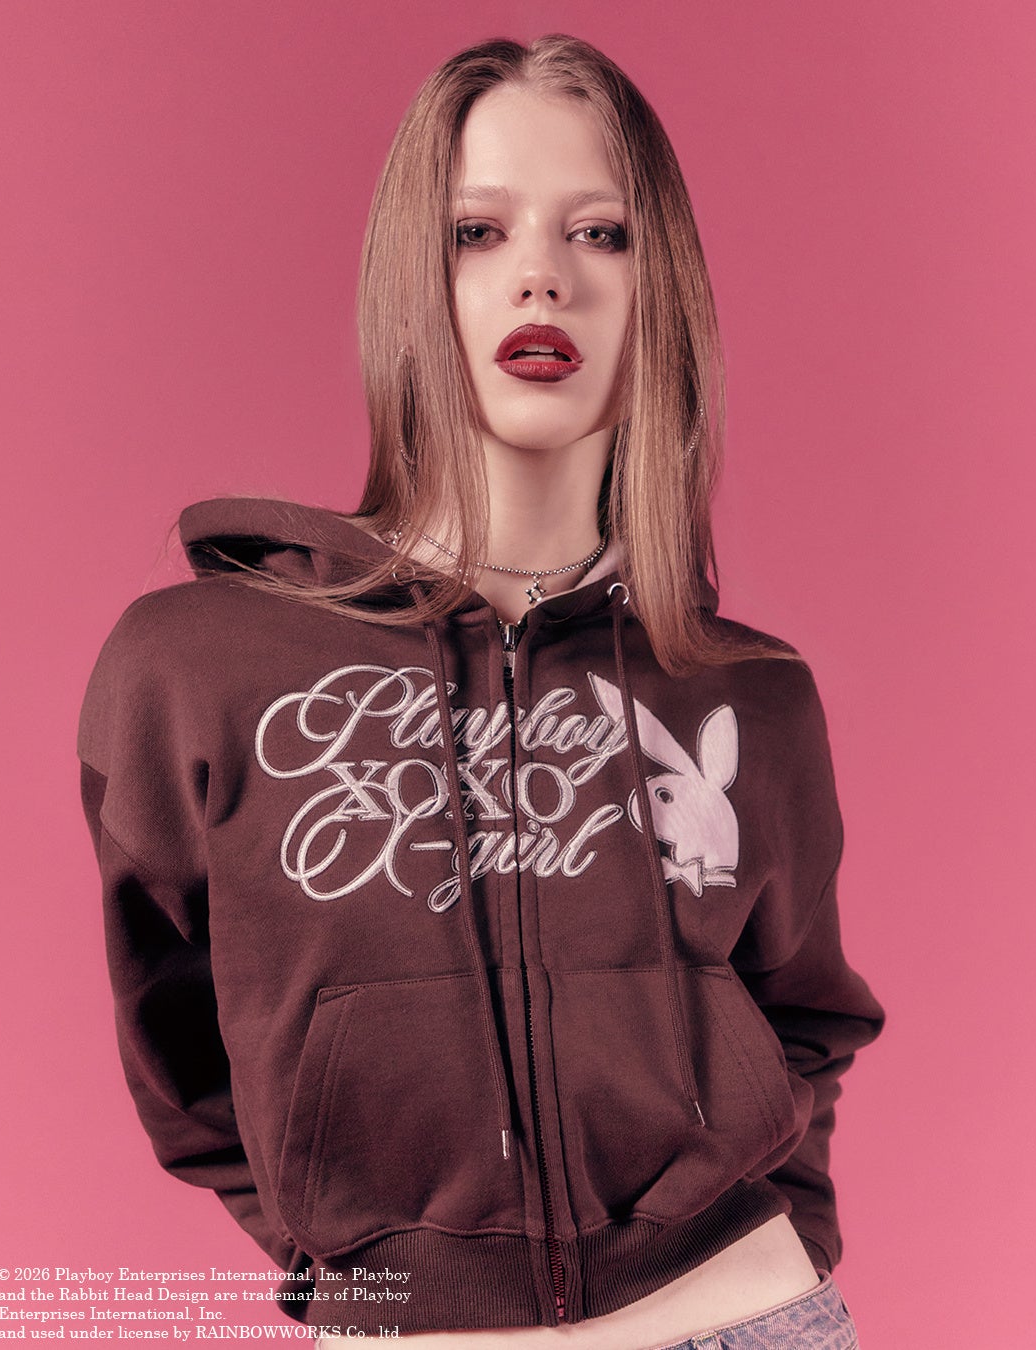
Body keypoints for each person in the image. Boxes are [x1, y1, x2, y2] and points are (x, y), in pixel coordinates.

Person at [79, 34, 883, 1350]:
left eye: (599, 233)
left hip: (742, 1315)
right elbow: (175, 1042)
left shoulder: (745, 693)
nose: (542, 275)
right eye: (478, 231)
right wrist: (365, 1269)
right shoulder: (199, 667)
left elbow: (807, 1016)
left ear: (660, 292)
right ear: (415, 280)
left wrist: (776, 1240)